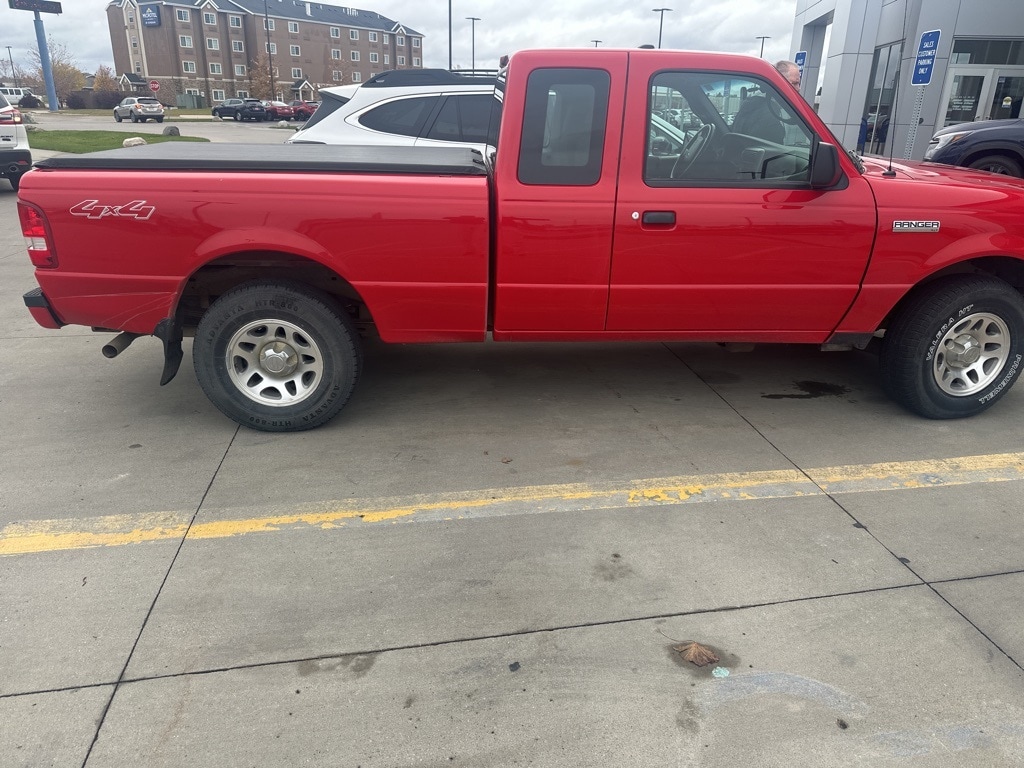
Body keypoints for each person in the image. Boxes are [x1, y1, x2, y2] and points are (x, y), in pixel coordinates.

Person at [731, 62, 800, 143]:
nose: (798, 88)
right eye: (795, 83)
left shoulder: (752, 106)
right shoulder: (769, 113)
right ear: (780, 83)